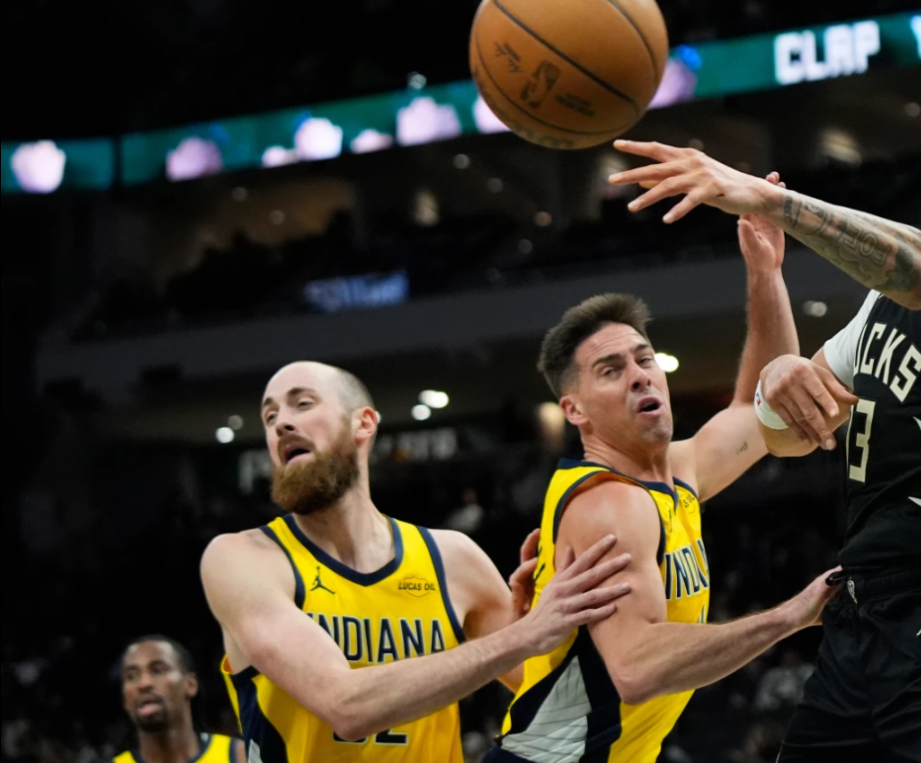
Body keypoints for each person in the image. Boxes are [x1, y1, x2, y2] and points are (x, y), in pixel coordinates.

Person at [612, 64, 921, 762]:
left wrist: (775, 204)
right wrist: (777, 358)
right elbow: (781, 431)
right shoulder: (882, 304)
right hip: (858, 626)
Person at [487, 208, 840, 762]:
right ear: (573, 410)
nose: (640, 375)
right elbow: (635, 666)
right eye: (611, 370)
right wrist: (789, 617)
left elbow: (758, 410)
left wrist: (765, 273)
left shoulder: (676, 474)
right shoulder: (608, 504)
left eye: (644, 358)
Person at [200, 360, 632, 760]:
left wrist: (565, 621)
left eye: (302, 403)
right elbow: (345, 706)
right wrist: (525, 636)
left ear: (363, 423)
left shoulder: (452, 558)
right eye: (270, 416)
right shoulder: (244, 558)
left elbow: (553, 694)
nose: (281, 424)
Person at [113, 635, 245, 763]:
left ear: (190, 685)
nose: (144, 684)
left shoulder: (241, 756)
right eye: (132, 676)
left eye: (157, 670)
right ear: (125, 699)